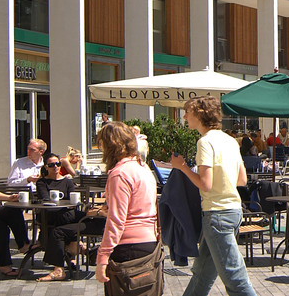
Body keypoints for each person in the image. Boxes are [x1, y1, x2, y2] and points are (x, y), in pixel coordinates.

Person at [169, 97, 257, 296]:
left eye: (187, 112)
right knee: (202, 274)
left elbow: (205, 185)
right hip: (233, 211)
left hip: (217, 214)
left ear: (199, 115)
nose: (184, 116)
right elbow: (241, 180)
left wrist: (182, 167)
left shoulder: (205, 142)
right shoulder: (230, 140)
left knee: (236, 280)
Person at [94, 121, 159, 289]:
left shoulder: (120, 174)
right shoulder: (142, 167)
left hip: (128, 247)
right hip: (149, 243)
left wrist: (103, 257)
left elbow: (116, 220)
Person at [35, 153, 106, 282]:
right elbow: (45, 198)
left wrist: (68, 205)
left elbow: (72, 199)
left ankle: (60, 267)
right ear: (46, 167)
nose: (55, 167)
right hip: (51, 215)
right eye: (51, 165)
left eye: (57, 164)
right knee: (80, 216)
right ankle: (82, 249)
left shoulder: (67, 181)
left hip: (65, 215)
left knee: (59, 229)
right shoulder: (42, 182)